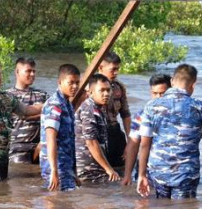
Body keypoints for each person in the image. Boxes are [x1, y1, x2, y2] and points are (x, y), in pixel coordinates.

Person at [137, 63, 202, 199]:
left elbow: (144, 143)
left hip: (158, 171)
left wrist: (142, 174)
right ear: (193, 85)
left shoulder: (151, 106)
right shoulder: (199, 107)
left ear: (172, 81)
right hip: (186, 174)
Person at [122, 74, 171, 185]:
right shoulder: (142, 115)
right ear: (150, 92)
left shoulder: (178, 114)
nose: (158, 97)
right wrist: (127, 174)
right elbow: (133, 144)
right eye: (155, 93)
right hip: (147, 171)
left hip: (171, 171)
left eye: (162, 93)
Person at [41, 64, 81, 192]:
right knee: (55, 204)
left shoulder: (67, 104)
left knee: (66, 205)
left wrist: (74, 172)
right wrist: (54, 170)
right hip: (56, 166)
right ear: (59, 82)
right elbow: (50, 138)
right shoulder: (55, 105)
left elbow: (71, 140)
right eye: (71, 83)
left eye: (77, 82)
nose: (75, 86)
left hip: (66, 166)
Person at [75, 74, 120, 184]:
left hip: (94, 165)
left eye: (108, 90)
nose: (106, 94)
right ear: (90, 92)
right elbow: (91, 142)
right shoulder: (89, 109)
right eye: (102, 90)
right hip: (88, 168)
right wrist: (109, 169)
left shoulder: (98, 108)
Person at [7, 57, 48, 165]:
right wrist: (42, 112)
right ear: (17, 72)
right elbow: (22, 115)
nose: (32, 74)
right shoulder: (8, 96)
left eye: (34, 71)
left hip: (40, 145)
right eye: (28, 71)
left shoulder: (42, 95)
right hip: (18, 146)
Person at [97, 52, 131, 172]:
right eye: (113, 69)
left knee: (122, 168)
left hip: (114, 131)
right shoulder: (89, 86)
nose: (116, 73)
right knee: (98, 171)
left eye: (118, 69)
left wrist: (130, 141)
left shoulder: (118, 87)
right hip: (97, 132)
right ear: (100, 68)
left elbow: (125, 114)